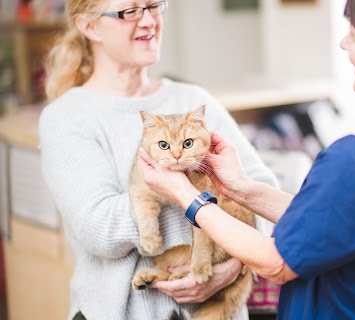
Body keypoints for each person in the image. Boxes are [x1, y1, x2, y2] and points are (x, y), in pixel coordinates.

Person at [137, 0, 355, 319]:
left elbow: (276, 263)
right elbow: (329, 226)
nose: (344, 44)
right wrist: (241, 187)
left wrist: (187, 196)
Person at [38, 0, 277, 319]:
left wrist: (233, 265)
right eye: (130, 11)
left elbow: (261, 190)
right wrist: (203, 205)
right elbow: (99, 227)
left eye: (153, 6)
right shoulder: (65, 117)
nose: (149, 21)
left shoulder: (194, 100)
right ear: (89, 26)